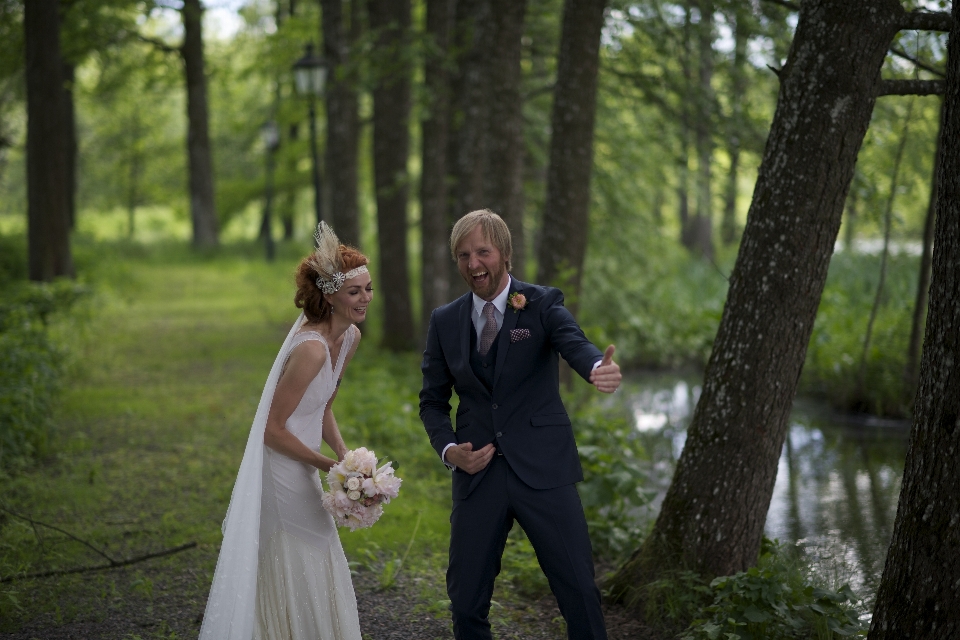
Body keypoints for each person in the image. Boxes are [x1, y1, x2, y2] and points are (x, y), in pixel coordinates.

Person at [419, 209, 622, 640]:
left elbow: (575, 343)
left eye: (483, 252)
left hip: (544, 469)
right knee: (465, 594)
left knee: (579, 589)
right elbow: (432, 402)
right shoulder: (445, 321)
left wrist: (594, 369)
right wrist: (449, 450)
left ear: (505, 254)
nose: (473, 264)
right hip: (478, 472)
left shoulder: (542, 303)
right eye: (463, 255)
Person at [199, 223, 371, 640]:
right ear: (330, 295)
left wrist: (349, 461)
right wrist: (330, 465)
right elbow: (272, 431)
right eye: (355, 292)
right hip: (281, 465)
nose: (365, 299)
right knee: (298, 548)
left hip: (307, 460)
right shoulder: (310, 349)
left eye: (368, 289)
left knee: (320, 546)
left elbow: (324, 406)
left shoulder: (350, 338)